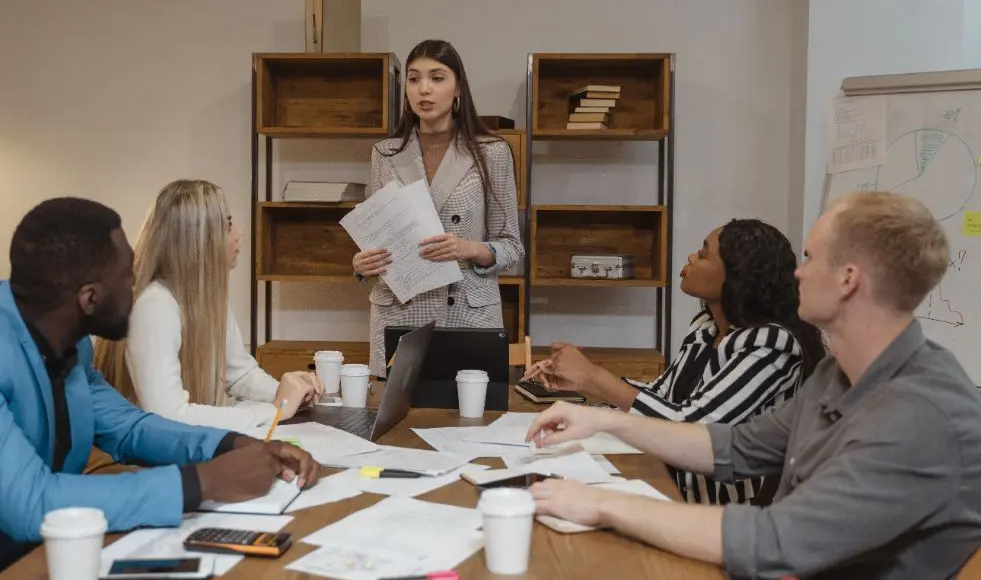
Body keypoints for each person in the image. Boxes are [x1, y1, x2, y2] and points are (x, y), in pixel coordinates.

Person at [0, 197, 321, 579]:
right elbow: (30, 503)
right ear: (89, 297)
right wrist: (201, 483)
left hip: (34, 557)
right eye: (128, 277)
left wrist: (229, 444)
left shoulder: (64, 342)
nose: (137, 287)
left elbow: (129, 429)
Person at [525, 191, 981, 579]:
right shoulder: (835, 375)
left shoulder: (919, 416)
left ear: (848, 280)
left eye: (809, 258)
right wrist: (601, 419)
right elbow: (732, 446)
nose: (797, 273)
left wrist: (603, 504)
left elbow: (778, 539)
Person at [523, 219, 826, 505]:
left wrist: (594, 378)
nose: (691, 259)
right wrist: (584, 399)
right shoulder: (706, 327)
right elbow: (661, 396)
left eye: (704, 255)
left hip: (726, 510)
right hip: (671, 484)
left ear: (735, 276)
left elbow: (693, 427)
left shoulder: (772, 344)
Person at [352, 39, 523, 377]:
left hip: (466, 312)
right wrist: (361, 263)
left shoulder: (492, 152)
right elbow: (377, 232)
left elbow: (512, 246)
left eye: (437, 78)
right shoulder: (385, 154)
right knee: (392, 423)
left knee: (466, 422)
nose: (424, 89)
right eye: (414, 79)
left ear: (458, 87)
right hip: (399, 312)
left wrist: (469, 248)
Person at [94, 180, 323, 431]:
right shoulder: (154, 306)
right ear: (198, 240)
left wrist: (289, 395)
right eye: (226, 225)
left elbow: (240, 375)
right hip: (145, 455)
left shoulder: (206, 297)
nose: (239, 234)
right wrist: (274, 410)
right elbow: (169, 415)